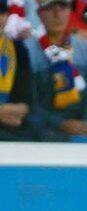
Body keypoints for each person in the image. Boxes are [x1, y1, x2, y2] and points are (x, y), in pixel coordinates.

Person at [25, 0, 87, 140]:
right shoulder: (27, 51)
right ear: (39, 14)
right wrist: (61, 124)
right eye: (50, 8)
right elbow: (30, 103)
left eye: (63, 8)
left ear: (70, 12)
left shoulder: (83, 46)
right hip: (43, 128)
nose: (57, 14)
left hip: (82, 125)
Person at [0, 0, 37, 140]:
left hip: (10, 119)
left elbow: (27, 99)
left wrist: (20, 110)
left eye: (3, 13)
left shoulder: (18, 48)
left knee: (35, 128)